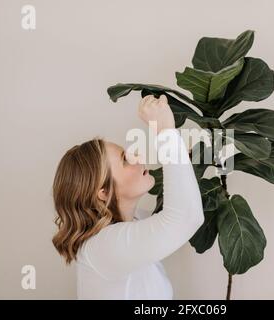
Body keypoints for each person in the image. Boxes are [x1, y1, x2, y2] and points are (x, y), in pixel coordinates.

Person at [51, 94, 205, 299]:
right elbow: (186, 218)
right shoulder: (103, 246)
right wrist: (165, 131)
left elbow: (181, 209)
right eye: (125, 159)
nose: (137, 157)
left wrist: (177, 151)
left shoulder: (134, 221)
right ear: (103, 192)